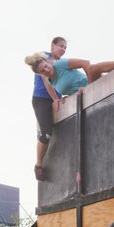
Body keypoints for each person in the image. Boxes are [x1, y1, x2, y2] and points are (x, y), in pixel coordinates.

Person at [30, 37, 67, 181]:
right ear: (52, 46)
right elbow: (46, 82)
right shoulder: (44, 58)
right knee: (46, 134)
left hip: (56, 98)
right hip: (42, 99)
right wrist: (55, 99)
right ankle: (38, 165)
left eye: (65, 47)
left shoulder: (61, 63)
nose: (63, 50)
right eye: (60, 46)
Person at [25, 52, 114, 97]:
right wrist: (62, 99)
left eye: (46, 66)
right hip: (86, 96)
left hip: (93, 83)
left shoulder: (60, 64)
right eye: (43, 71)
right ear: (40, 74)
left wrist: (89, 86)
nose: (46, 70)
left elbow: (85, 63)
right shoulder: (51, 82)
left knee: (92, 68)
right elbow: (70, 89)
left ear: (48, 62)